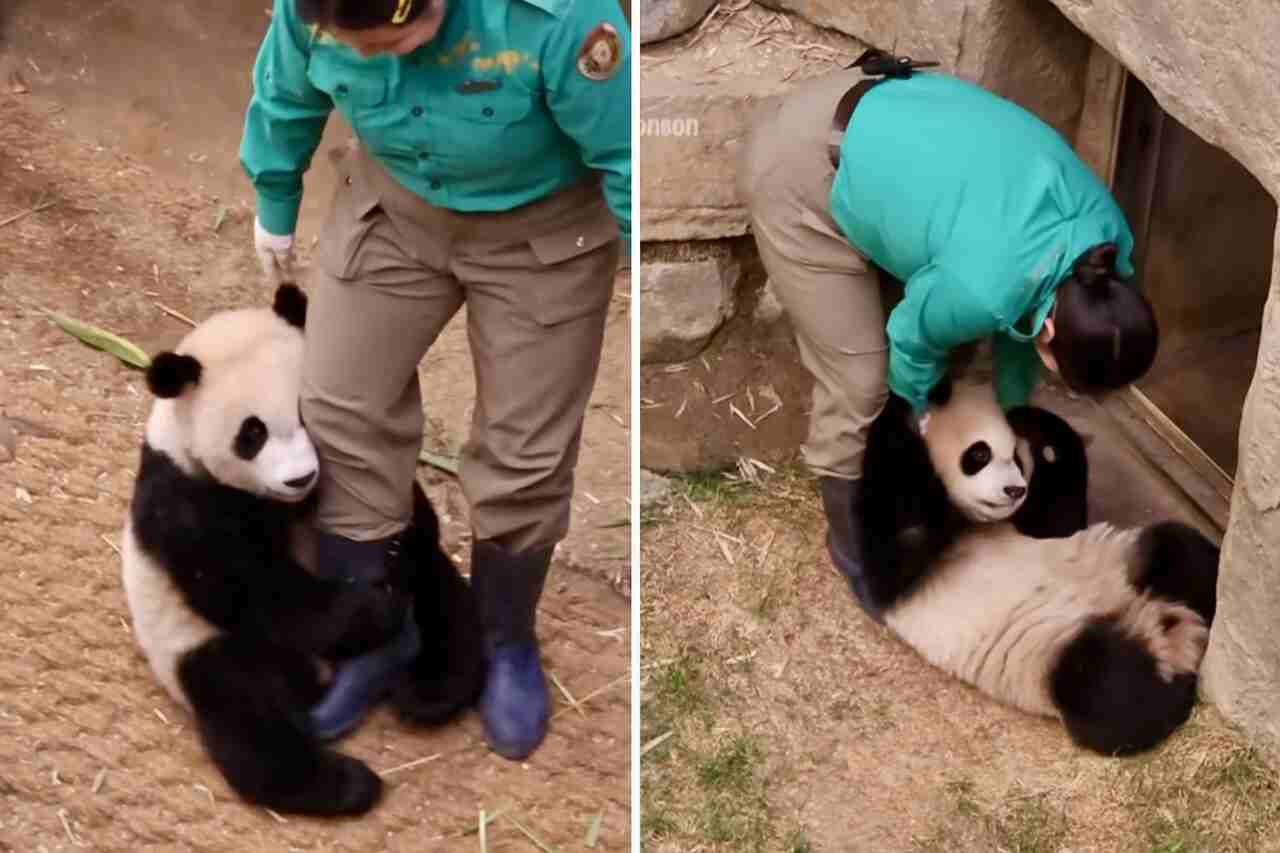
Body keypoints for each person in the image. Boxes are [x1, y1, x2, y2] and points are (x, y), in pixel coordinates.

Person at [239, 0, 631, 760]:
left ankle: (503, 637)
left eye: (405, 36)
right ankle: (371, 631)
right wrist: (274, 194)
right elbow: (287, 91)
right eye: (364, 48)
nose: (388, 59)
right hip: (395, 206)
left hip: (543, 231)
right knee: (339, 407)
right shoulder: (307, 9)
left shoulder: (561, 21)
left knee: (525, 449)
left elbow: (625, 157)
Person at [737, 52, 1157, 614]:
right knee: (862, 378)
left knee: (949, 337)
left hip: (893, 123)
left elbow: (1020, 319)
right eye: (1064, 370)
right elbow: (912, 337)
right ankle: (853, 538)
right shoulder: (986, 285)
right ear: (1052, 327)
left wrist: (1007, 414)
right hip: (800, 165)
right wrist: (919, 420)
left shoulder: (1108, 247)